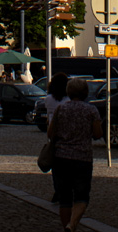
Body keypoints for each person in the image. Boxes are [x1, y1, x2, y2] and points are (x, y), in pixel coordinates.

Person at [47, 77, 103, 232]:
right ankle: (72, 225)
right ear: (85, 92)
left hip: (61, 158)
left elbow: (50, 133)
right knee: (82, 197)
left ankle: (67, 226)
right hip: (82, 158)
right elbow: (98, 134)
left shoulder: (60, 109)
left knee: (65, 198)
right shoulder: (91, 110)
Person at [45, 73, 69, 202]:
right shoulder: (68, 100)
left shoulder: (48, 99)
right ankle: (65, 190)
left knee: (56, 166)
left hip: (53, 135)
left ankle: (58, 190)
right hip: (67, 134)